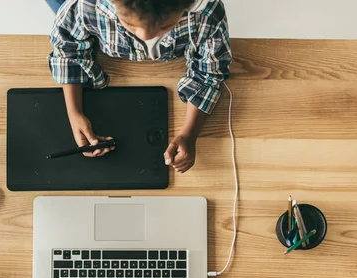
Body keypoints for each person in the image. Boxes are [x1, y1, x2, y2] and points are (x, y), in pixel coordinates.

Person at [48, 0, 231, 173]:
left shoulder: (207, 14)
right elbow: (67, 49)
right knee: (64, 13)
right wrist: (74, 113)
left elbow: (209, 73)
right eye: (129, 23)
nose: (144, 35)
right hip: (86, 16)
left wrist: (189, 134)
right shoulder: (86, 6)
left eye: (164, 27)